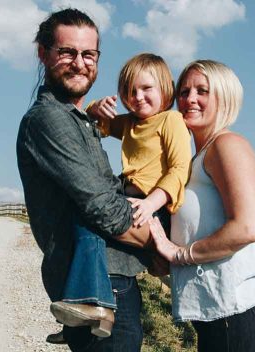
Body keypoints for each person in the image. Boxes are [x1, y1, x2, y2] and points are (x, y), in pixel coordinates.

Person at [16, 8, 161, 352]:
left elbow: (109, 189)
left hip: (113, 283)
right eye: (67, 52)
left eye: (88, 54)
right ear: (43, 54)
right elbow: (104, 208)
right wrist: (164, 246)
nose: (80, 62)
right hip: (100, 289)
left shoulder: (79, 121)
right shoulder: (49, 120)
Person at [41, 52, 191, 340]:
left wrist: (152, 203)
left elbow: (179, 168)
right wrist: (99, 108)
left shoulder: (170, 120)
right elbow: (101, 124)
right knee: (83, 223)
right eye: (129, 91)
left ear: (165, 89)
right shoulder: (132, 122)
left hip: (153, 204)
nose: (137, 96)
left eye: (146, 88)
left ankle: (90, 307)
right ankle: (86, 315)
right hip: (130, 199)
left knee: (89, 220)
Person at [147, 60, 255, 351]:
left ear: (224, 97)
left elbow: (246, 227)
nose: (189, 99)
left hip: (241, 312)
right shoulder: (195, 160)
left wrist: (181, 254)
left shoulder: (227, 145)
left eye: (202, 91)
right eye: (183, 91)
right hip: (216, 314)